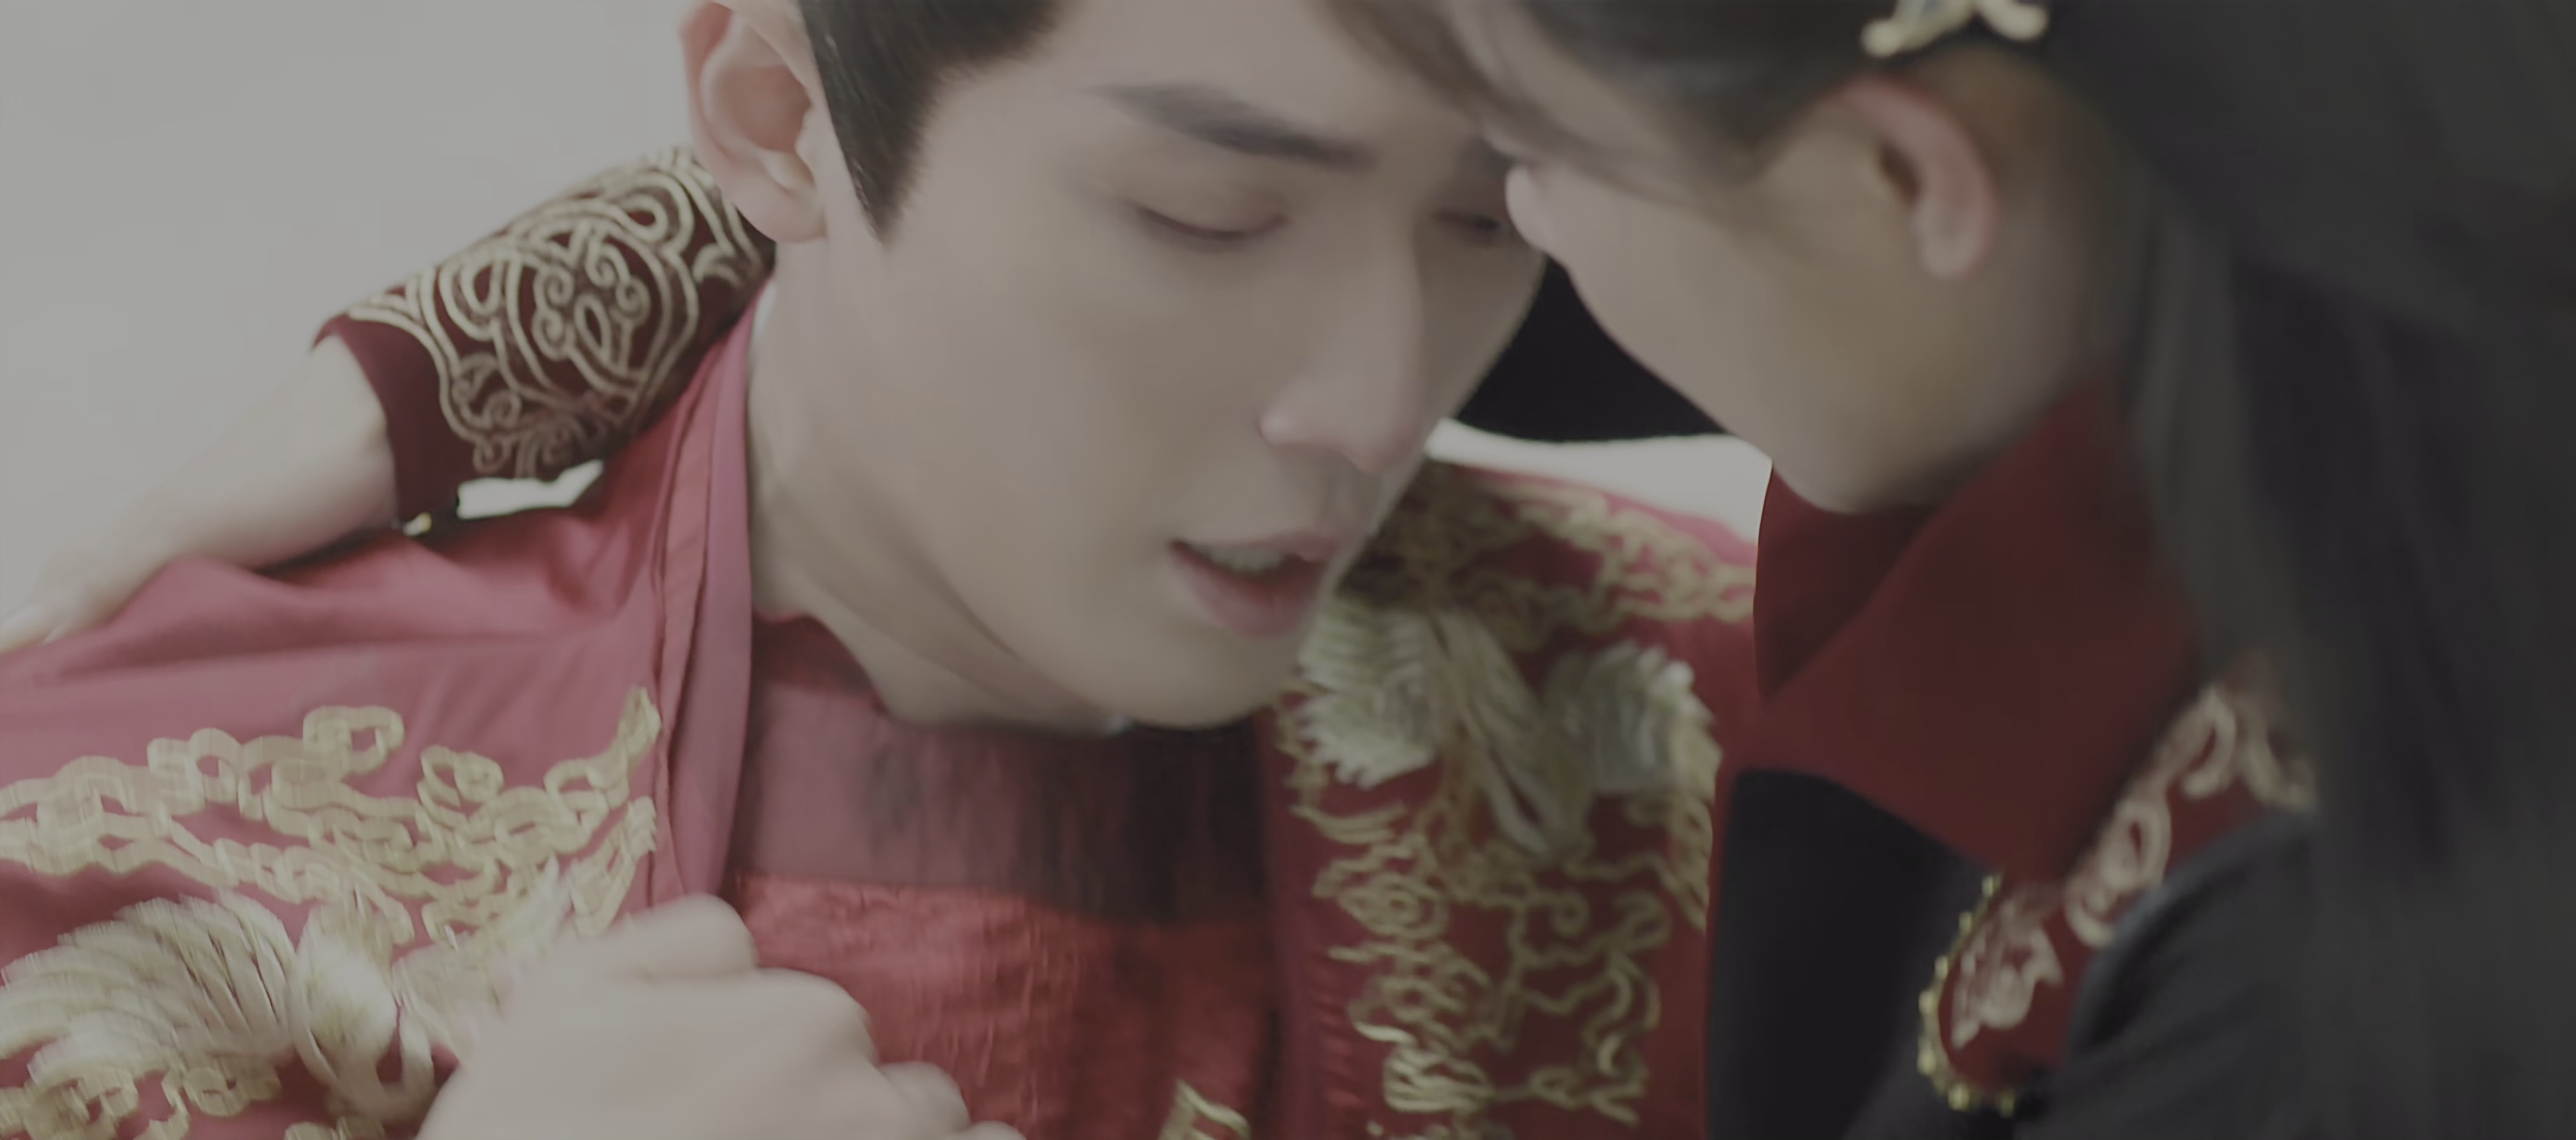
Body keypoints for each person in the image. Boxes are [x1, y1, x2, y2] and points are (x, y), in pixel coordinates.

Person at [0, 2, 1772, 1138]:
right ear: (775, 117)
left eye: (1490, 214)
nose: (1381, 405)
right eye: (1208, 218)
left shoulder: (1702, 722)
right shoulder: (124, 837)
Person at [1321, 1, 2576, 1137]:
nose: (1533, 227)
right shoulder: (2366, 241)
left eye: (1526, 158)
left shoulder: (2324, 992)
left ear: (1907, 177)